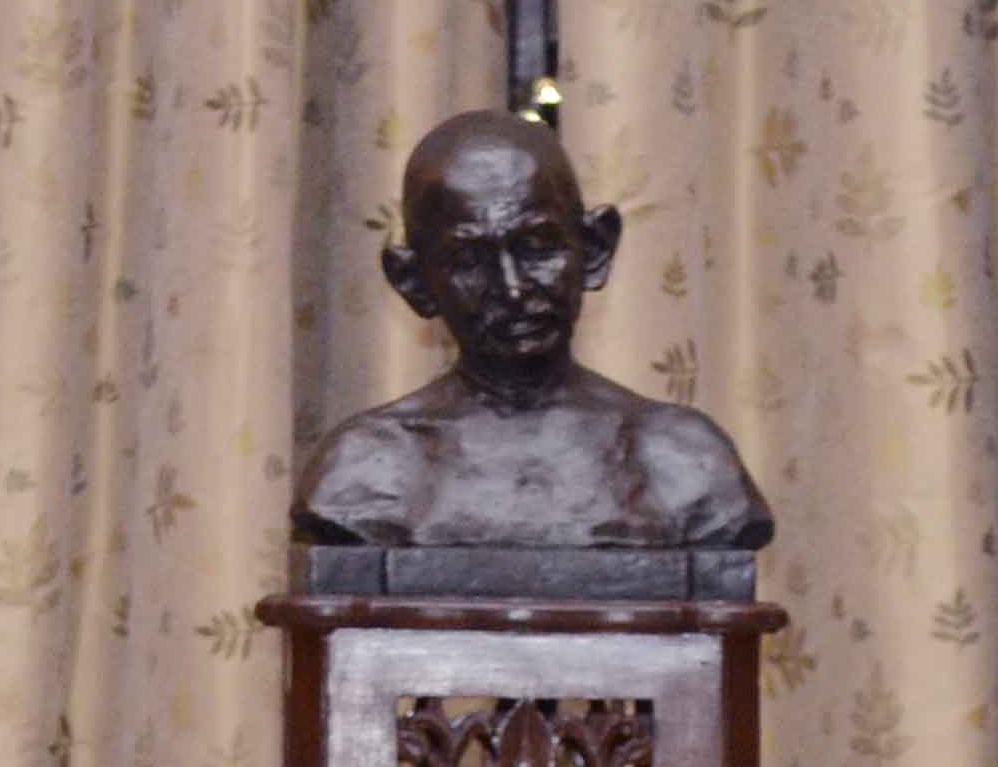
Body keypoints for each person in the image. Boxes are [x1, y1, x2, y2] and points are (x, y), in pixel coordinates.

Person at [294, 108, 774, 552]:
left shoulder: (684, 463)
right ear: (414, 282)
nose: (514, 289)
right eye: (469, 259)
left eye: (538, 246)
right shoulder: (365, 471)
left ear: (594, 247)